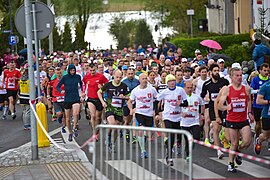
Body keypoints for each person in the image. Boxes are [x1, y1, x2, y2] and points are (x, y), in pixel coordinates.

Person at [218, 67, 254, 173]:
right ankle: (231, 164)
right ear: (231, 77)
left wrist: (249, 112)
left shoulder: (246, 88)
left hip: (243, 119)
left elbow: (249, 100)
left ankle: (237, 151)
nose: (239, 77)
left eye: (240, 75)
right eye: (237, 75)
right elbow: (220, 105)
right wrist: (226, 108)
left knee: (247, 141)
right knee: (233, 143)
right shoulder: (227, 89)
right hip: (232, 120)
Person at [156, 74, 188, 165]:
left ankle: (177, 145)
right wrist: (158, 112)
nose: (172, 83)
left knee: (178, 135)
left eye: (173, 81)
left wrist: (180, 103)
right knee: (171, 136)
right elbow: (156, 100)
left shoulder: (180, 90)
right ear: (167, 83)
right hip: (168, 117)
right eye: (170, 81)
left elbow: (186, 103)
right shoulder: (164, 92)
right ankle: (169, 156)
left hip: (177, 117)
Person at [201, 63, 229, 159]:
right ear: (211, 72)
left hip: (224, 108)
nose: (217, 72)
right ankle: (218, 150)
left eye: (218, 71)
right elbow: (202, 95)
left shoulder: (224, 82)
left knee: (223, 129)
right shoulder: (207, 84)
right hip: (213, 108)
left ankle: (222, 138)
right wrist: (207, 98)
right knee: (216, 128)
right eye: (215, 71)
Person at [97, 70, 129, 153]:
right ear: (113, 76)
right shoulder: (108, 84)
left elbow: (129, 97)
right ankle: (108, 136)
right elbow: (99, 92)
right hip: (110, 107)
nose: (118, 79)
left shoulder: (124, 86)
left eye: (120, 77)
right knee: (112, 123)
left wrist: (124, 97)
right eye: (116, 77)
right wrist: (103, 102)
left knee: (116, 128)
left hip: (119, 109)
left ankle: (113, 143)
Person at [128, 73, 157, 158]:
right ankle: (143, 151)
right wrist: (131, 110)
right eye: (143, 79)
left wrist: (156, 110)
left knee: (149, 133)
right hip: (139, 113)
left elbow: (157, 100)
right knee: (140, 130)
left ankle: (144, 137)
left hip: (149, 113)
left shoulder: (152, 89)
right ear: (139, 80)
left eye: (145, 79)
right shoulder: (135, 90)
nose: (145, 80)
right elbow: (129, 101)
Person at [56, 64, 83, 142]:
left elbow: (81, 85)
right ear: (68, 70)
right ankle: (70, 132)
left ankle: (74, 127)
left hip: (76, 98)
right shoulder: (65, 77)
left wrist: (82, 93)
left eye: (74, 70)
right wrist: (61, 91)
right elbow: (58, 86)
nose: (72, 72)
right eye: (71, 70)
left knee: (76, 113)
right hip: (67, 99)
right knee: (67, 118)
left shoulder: (78, 77)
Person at [82, 64, 108, 139]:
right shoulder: (86, 77)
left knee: (98, 118)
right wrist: (83, 92)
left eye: (93, 70)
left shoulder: (101, 76)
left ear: (96, 69)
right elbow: (83, 84)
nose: (92, 72)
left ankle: (97, 131)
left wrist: (102, 87)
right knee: (93, 115)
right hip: (90, 99)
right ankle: (94, 132)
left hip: (99, 99)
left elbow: (108, 84)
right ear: (88, 70)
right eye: (91, 70)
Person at [181, 81, 204, 162]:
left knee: (197, 137)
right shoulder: (181, 98)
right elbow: (176, 107)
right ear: (184, 88)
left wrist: (201, 114)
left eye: (191, 88)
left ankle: (192, 144)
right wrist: (181, 113)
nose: (190, 89)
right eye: (188, 88)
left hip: (195, 121)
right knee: (187, 140)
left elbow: (202, 104)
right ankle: (187, 154)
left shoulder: (197, 97)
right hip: (184, 122)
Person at [250, 63, 270, 139]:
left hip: (266, 106)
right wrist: (258, 91)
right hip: (257, 105)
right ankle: (257, 136)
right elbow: (251, 91)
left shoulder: (269, 80)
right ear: (260, 71)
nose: (266, 72)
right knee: (258, 124)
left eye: (268, 70)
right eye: (264, 70)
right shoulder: (255, 79)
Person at [47, 67, 66, 133]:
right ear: (55, 73)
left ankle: (63, 127)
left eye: (60, 73)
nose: (59, 74)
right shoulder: (53, 81)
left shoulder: (65, 80)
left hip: (64, 99)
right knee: (59, 113)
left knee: (65, 115)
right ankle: (59, 117)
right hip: (56, 99)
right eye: (57, 73)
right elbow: (48, 88)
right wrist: (48, 95)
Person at [255, 79, 270, 154]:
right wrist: (268, 101)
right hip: (267, 115)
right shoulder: (265, 86)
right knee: (265, 136)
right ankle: (259, 140)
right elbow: (258, 101)